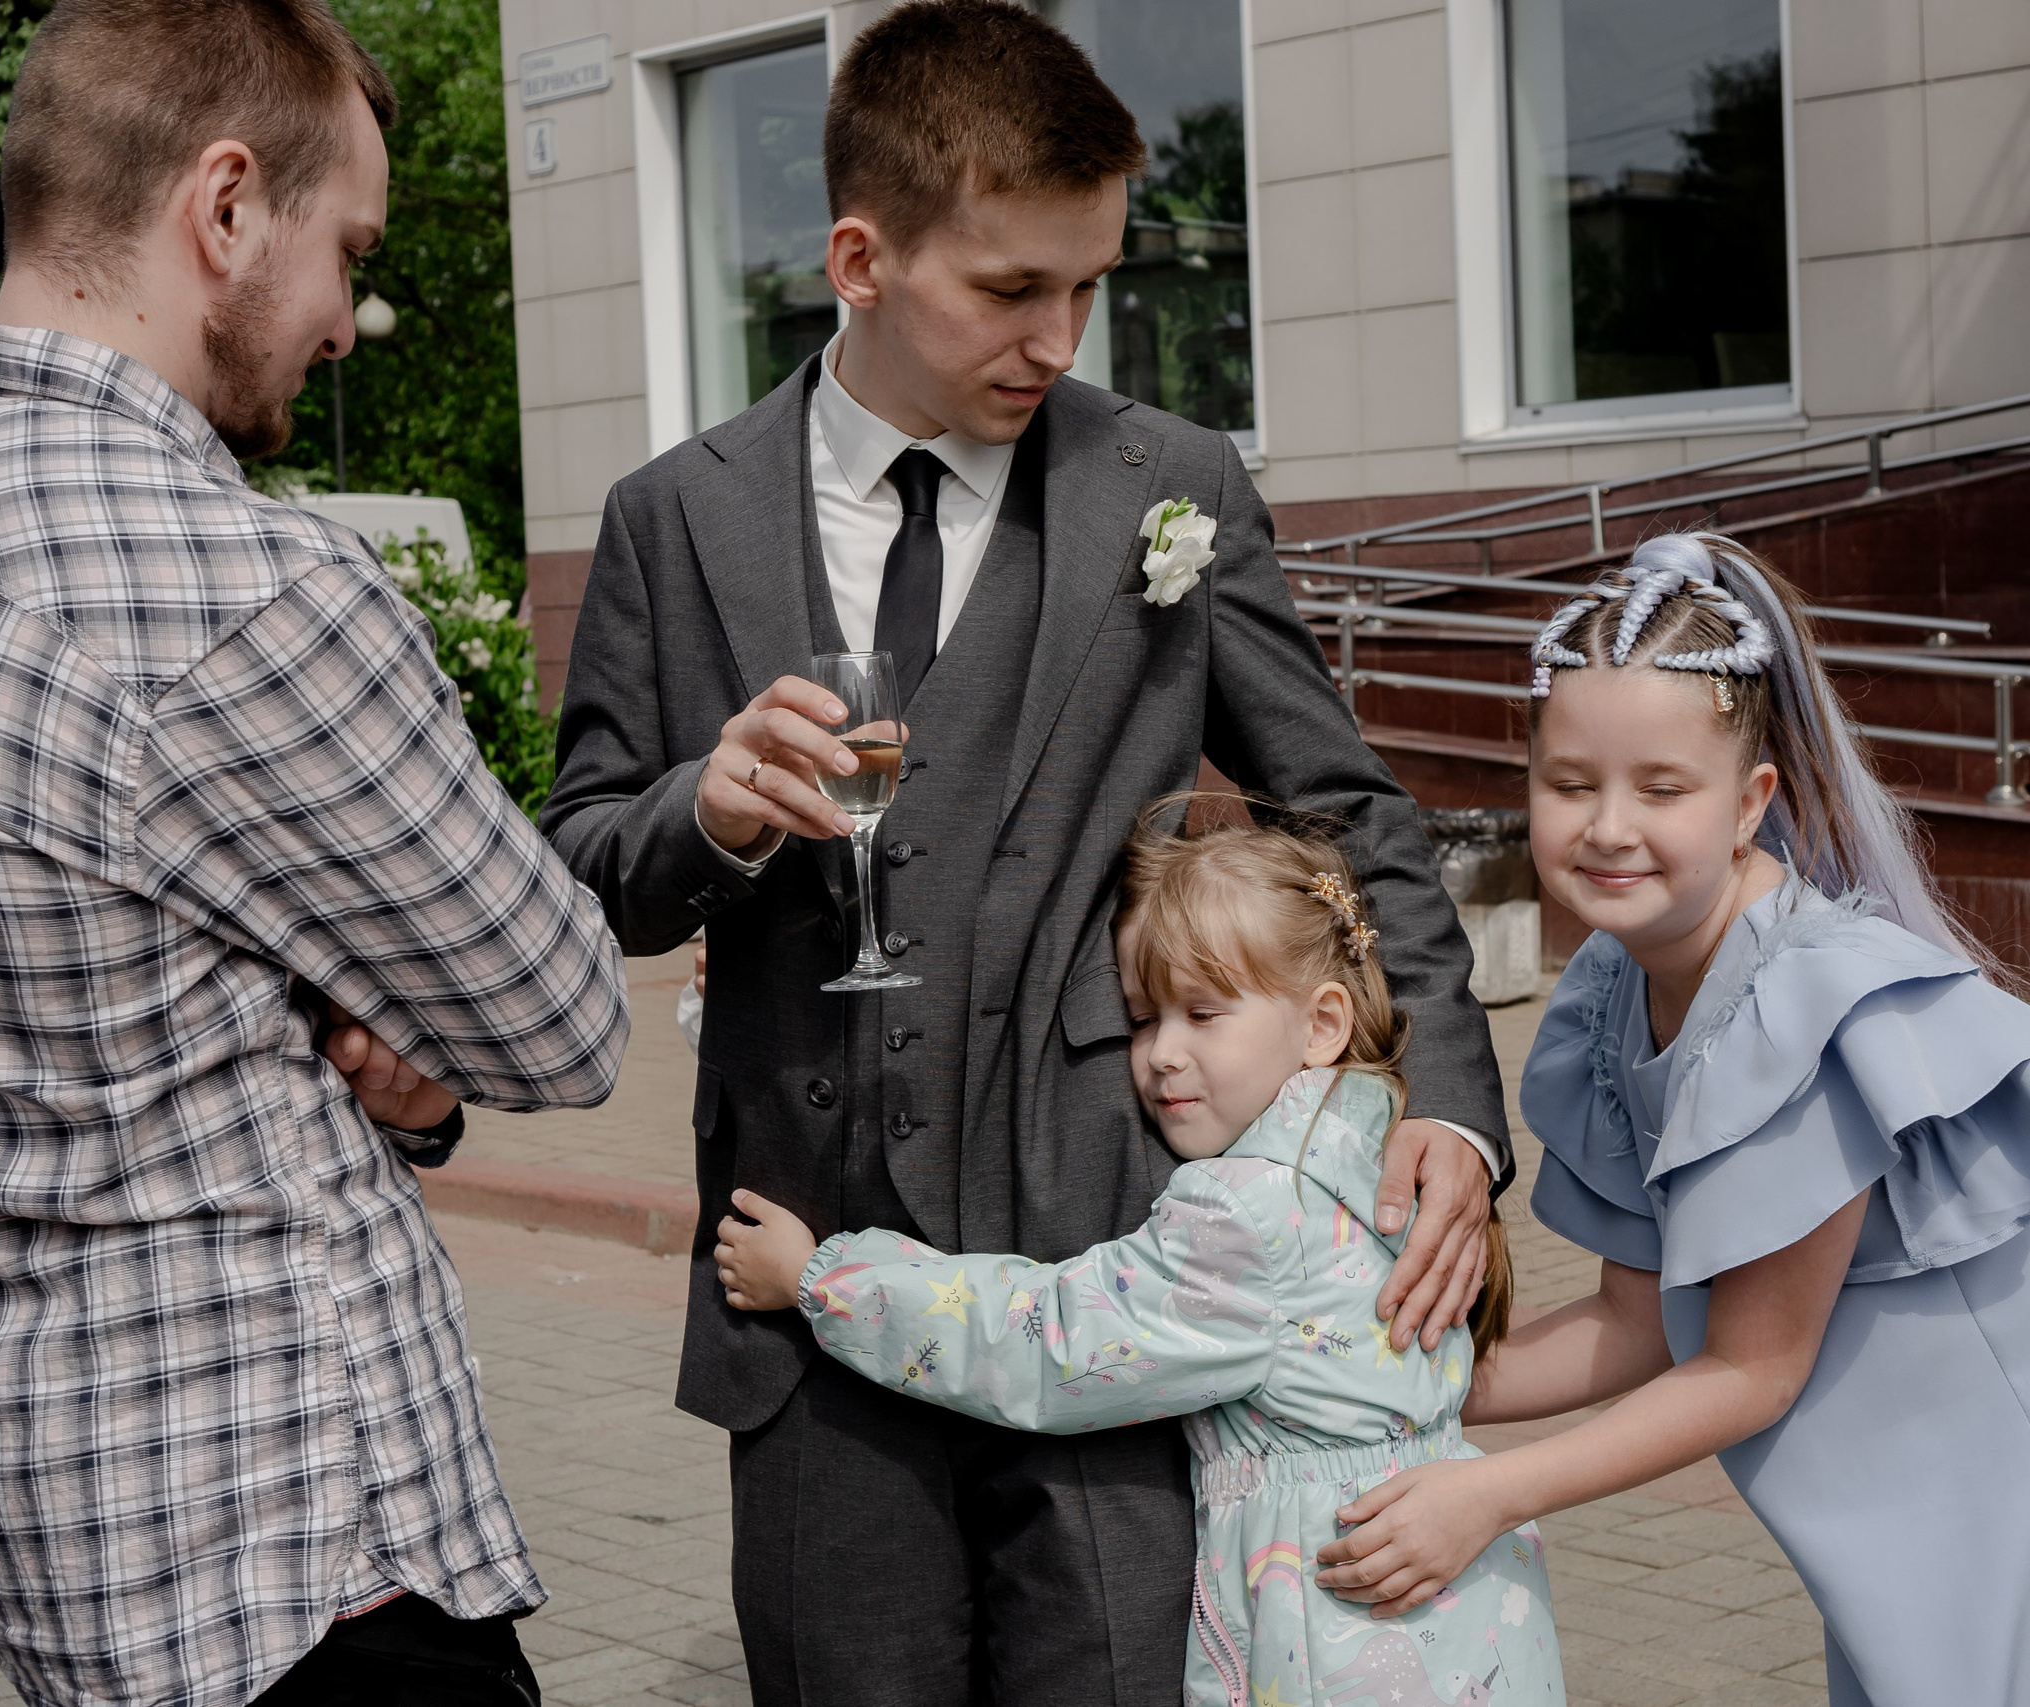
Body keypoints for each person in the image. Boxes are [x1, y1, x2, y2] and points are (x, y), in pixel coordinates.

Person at [539, 3, 1513, 1697]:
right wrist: (704, 807)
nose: (1059, 334)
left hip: (1116, 1301)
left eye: (1090, 286)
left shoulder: (1172, 483)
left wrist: (1452, 1109)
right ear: (861, 254)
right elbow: (584, 861)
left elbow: (1343, 808)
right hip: (811, 1311)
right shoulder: (671, 519)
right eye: (1010, 288)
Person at [0, 2, 631, 1702]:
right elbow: (566, 1017)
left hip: (63, 1563)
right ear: (225, 209)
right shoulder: (239, 592)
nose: (350, 321)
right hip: (306, 1577)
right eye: (349, 253)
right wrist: (410, 1057)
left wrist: (385, 1065)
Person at [1312, 534, 2030, 1706]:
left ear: (1751, 804)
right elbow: (1640, 1321)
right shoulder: (1604, 995)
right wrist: (1395, 1381)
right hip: (1906, 1466)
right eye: (1570, 784)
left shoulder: (1805, 999)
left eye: (1662, 789)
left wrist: (1488, 1490)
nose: (1608, 827)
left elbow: (1748, 1369)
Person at [712, 813, 1563, 1707]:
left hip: (1335, 1638)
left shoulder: (1242, 1213)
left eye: (1203, 1013)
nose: (1161, 1053)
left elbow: (1051, 1341)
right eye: (1142, 1017)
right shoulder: (1389, 1152)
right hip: (1473, 1622)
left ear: (1321, 1023)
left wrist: (823, 1279)